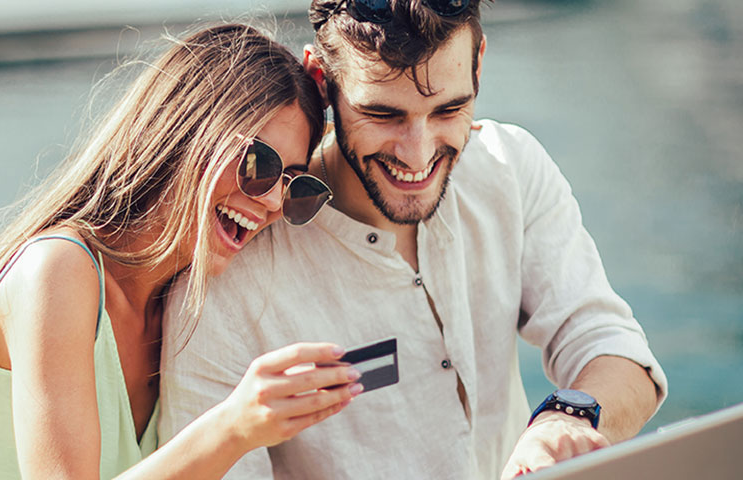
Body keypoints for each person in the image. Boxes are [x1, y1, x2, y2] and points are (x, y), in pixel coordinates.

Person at [159, 1, 668, 479]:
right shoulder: (223, 284)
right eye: (384, 114)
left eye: (449, 110)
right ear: (321, 81)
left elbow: (611, 344)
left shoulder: (511, 168)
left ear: (479, 64)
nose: (417, 155)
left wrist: (567, 420)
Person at [0, 24, 363, 480]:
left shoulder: (178, 303)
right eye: (260, 164)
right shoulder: (58, 271)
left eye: (294, 184)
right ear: (184, 134)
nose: (273, 202)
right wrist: (233, 428)